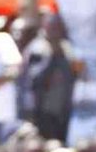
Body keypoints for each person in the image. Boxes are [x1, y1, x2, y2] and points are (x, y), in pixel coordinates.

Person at [21, 14, 78, 142]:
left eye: (59, 27)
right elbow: (33, 79)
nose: (56, 31)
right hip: (42, 111)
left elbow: (73, 75)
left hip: (62, 110)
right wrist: (52, 57)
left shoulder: (67, 47)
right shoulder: (37, 48)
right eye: (53, 27)